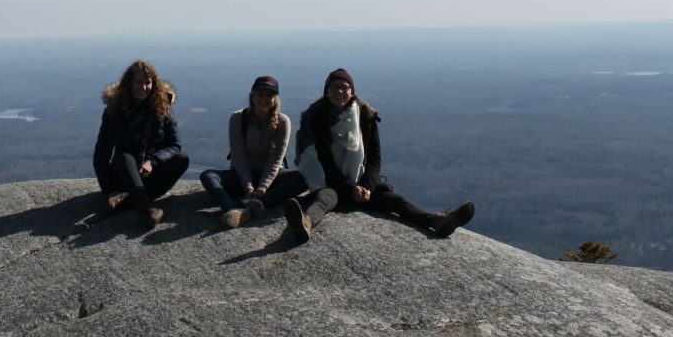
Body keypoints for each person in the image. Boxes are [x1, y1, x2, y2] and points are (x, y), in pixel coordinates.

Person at [284, 68, 474, 243]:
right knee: (324, 200)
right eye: (335, 87)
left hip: (361, 183)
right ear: (327, 91)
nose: (340, 91)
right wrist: (350, 188)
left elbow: (375, 157)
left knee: (395, 201)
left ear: (352, 91)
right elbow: (324, 162)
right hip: (331, 183)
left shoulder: (365, 117)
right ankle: (306, 223)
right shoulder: (317, 120)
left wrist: (366, 186)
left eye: (344, 87)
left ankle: (436, 220)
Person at [199, 76, 307, 228]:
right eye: (260, 94)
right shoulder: (238, 118)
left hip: (271, 178)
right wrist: (248, 187)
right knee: (208, 175)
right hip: (242, 175)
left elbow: (276, 159)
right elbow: (239, 156)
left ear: (275, 99)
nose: (264, 98)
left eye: (269, 95)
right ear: (252, 96)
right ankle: (231, 209)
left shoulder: (283, 121)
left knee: (304, 177)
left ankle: (254, 206)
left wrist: (262, 188)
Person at [93, 60, 190, 229]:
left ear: (154, 84)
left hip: (150, 173)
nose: (143, 87)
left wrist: (152, 162)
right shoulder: (115, 110)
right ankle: (146, 208)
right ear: (129, 83)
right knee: (124, 157)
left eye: (148, 82)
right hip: (125, 174)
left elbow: (175, 145)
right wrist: (109, 190)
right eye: (138, 82)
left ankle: (127, 201)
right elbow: (101, 153)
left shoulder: (163, 107)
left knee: (182, 159)